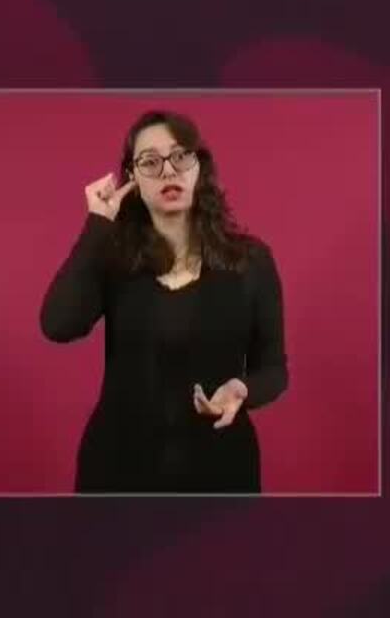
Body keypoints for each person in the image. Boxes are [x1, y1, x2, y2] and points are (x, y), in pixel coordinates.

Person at [41, 109, 288, 492]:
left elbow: (274, 370)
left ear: (199, 167)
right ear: (133, 178)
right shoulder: (116, 258)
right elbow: (57, 325)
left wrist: (243, 390)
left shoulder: (250, 261)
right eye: (150, 162)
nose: (168, 171)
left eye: (180, 156)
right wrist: (97, 224)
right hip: (117, 471)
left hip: (222, 468)